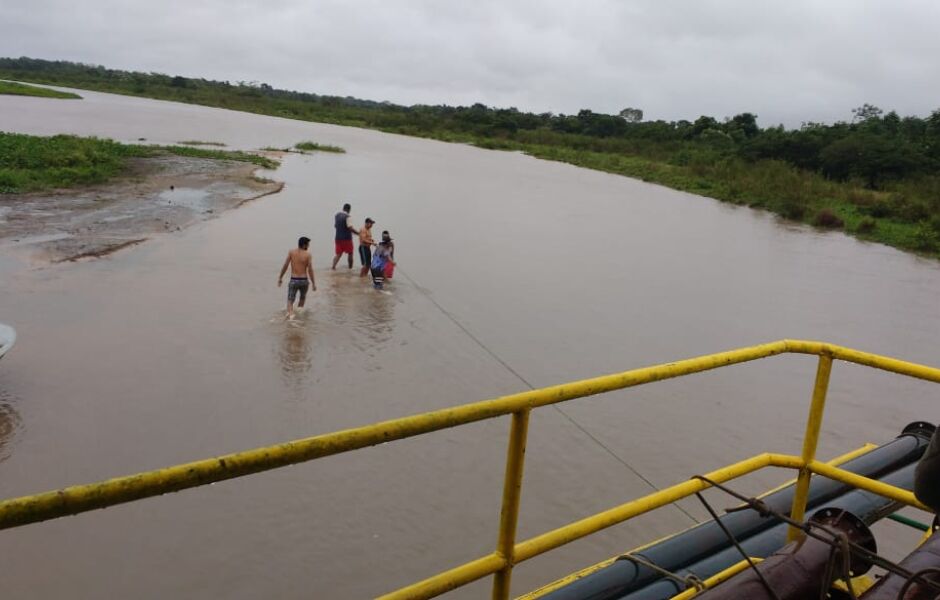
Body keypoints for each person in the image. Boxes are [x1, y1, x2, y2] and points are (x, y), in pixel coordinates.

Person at [278, 236, 317, 319]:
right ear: (304, 245)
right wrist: (313, 283)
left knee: (290, 300)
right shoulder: (308, 255)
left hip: (294, 280)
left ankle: (291, 316)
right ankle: (299, 318)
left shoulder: (291, 252)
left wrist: (280, 277)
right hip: (304, 281)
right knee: (302, 299)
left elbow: (285, 265)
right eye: (308, 245)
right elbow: (310, 270)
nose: (308, 246)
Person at [331, 203, 358, 270]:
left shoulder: (337, 215)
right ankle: (350, 268)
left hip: (338, 238)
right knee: (350, 253)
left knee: (338, 254)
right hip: (347, 239)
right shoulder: (348, 217)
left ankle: (333, 267)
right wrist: (359, 233)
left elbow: (335, 226)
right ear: (349, 210)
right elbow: (350, 228)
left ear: (343, 208)